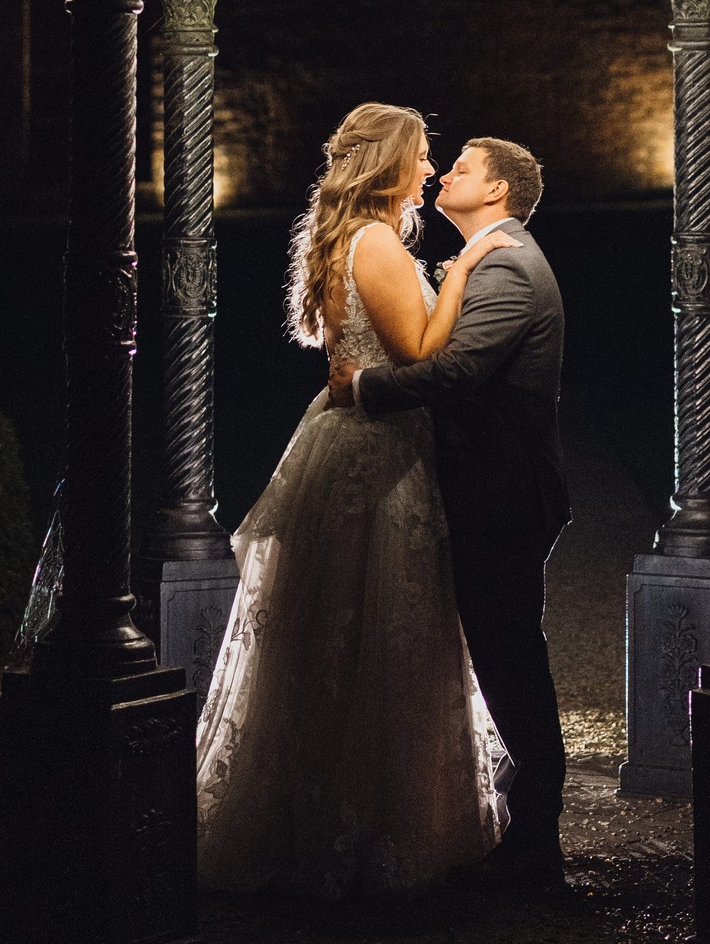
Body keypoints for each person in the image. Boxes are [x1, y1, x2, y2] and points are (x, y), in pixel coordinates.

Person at [194, 102, 521, 898]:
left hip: (364, 436)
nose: (429, 171)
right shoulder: (375, 241)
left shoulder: (361, 238)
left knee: (347, 642)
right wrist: (467, 273)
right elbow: (415, 350)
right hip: (375, 455)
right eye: (419, 158)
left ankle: (344, 821)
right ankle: (367, 835)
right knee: (376, 637)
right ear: (387, 166)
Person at [328, 133, 571, 889]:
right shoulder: (490, 259)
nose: (442, 173)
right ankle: (519, 832)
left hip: (501, 497)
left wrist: (362, 390)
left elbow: (460, 373)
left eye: (460, 167)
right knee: (501, 657)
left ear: (497, 191)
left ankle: (535, 848)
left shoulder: (507, 263)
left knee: (512, 663)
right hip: (485, 492)